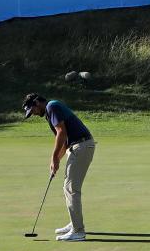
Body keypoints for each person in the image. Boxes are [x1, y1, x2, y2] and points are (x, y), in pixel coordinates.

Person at [22, 92, 95, 241]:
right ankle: (74, 223)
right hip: (77, 147)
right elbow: (65, 141)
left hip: (81, 146)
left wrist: (54, 157)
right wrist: (56, 161)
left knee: (71, 189)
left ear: (37, 103)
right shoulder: (50, 111)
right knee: (68, 187)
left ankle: (78, 231)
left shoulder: (52, 106)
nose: (34, 114)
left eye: (33, 111)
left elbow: (61, 133)